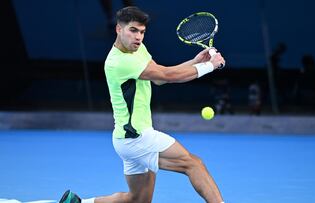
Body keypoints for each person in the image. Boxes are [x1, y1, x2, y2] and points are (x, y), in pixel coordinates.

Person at [59, 6, 226, 203]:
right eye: (133, 30)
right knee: (193, 164)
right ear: (118, 30)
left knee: (137, 199)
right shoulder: (119, 62)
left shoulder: (138, 49)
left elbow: (159, 77)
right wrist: (210, 65)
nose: (138, 37)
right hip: (137, 137)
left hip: (125, 140)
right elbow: (168, 76)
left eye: (142, 32)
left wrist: (195, 61)